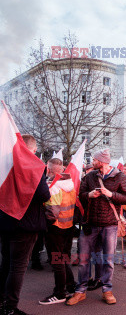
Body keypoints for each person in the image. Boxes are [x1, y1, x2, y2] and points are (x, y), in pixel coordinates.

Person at [67, 149, 126, 306]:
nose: (92, 162)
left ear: (102, 161)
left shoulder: (119, 176)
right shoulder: (90, 176)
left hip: (109, 225)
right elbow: (80, 194)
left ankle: (107, 290)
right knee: (83, 259)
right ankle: (80, 291)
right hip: (89, 224)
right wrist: (89, 195)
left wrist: (110, 194)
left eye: (94, 160)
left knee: (108, 260)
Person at [0, 134, 51, 315]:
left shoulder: (5, 163)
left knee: (6, 263)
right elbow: (44, 195)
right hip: (25, 223)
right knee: (18, 267)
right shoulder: (32, 165)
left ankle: (2, 303)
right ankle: (10, 308)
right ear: (34, 149)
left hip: (5, 221)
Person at [39, 158, 76, 305]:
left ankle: (60, 293)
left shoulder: (54, 187)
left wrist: (45, 224)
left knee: (57, 260)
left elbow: (51, 212)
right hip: (68, 226)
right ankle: (71, 285)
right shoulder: (70, 184)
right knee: (62, 258)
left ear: (49, 170)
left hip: (55, 227)